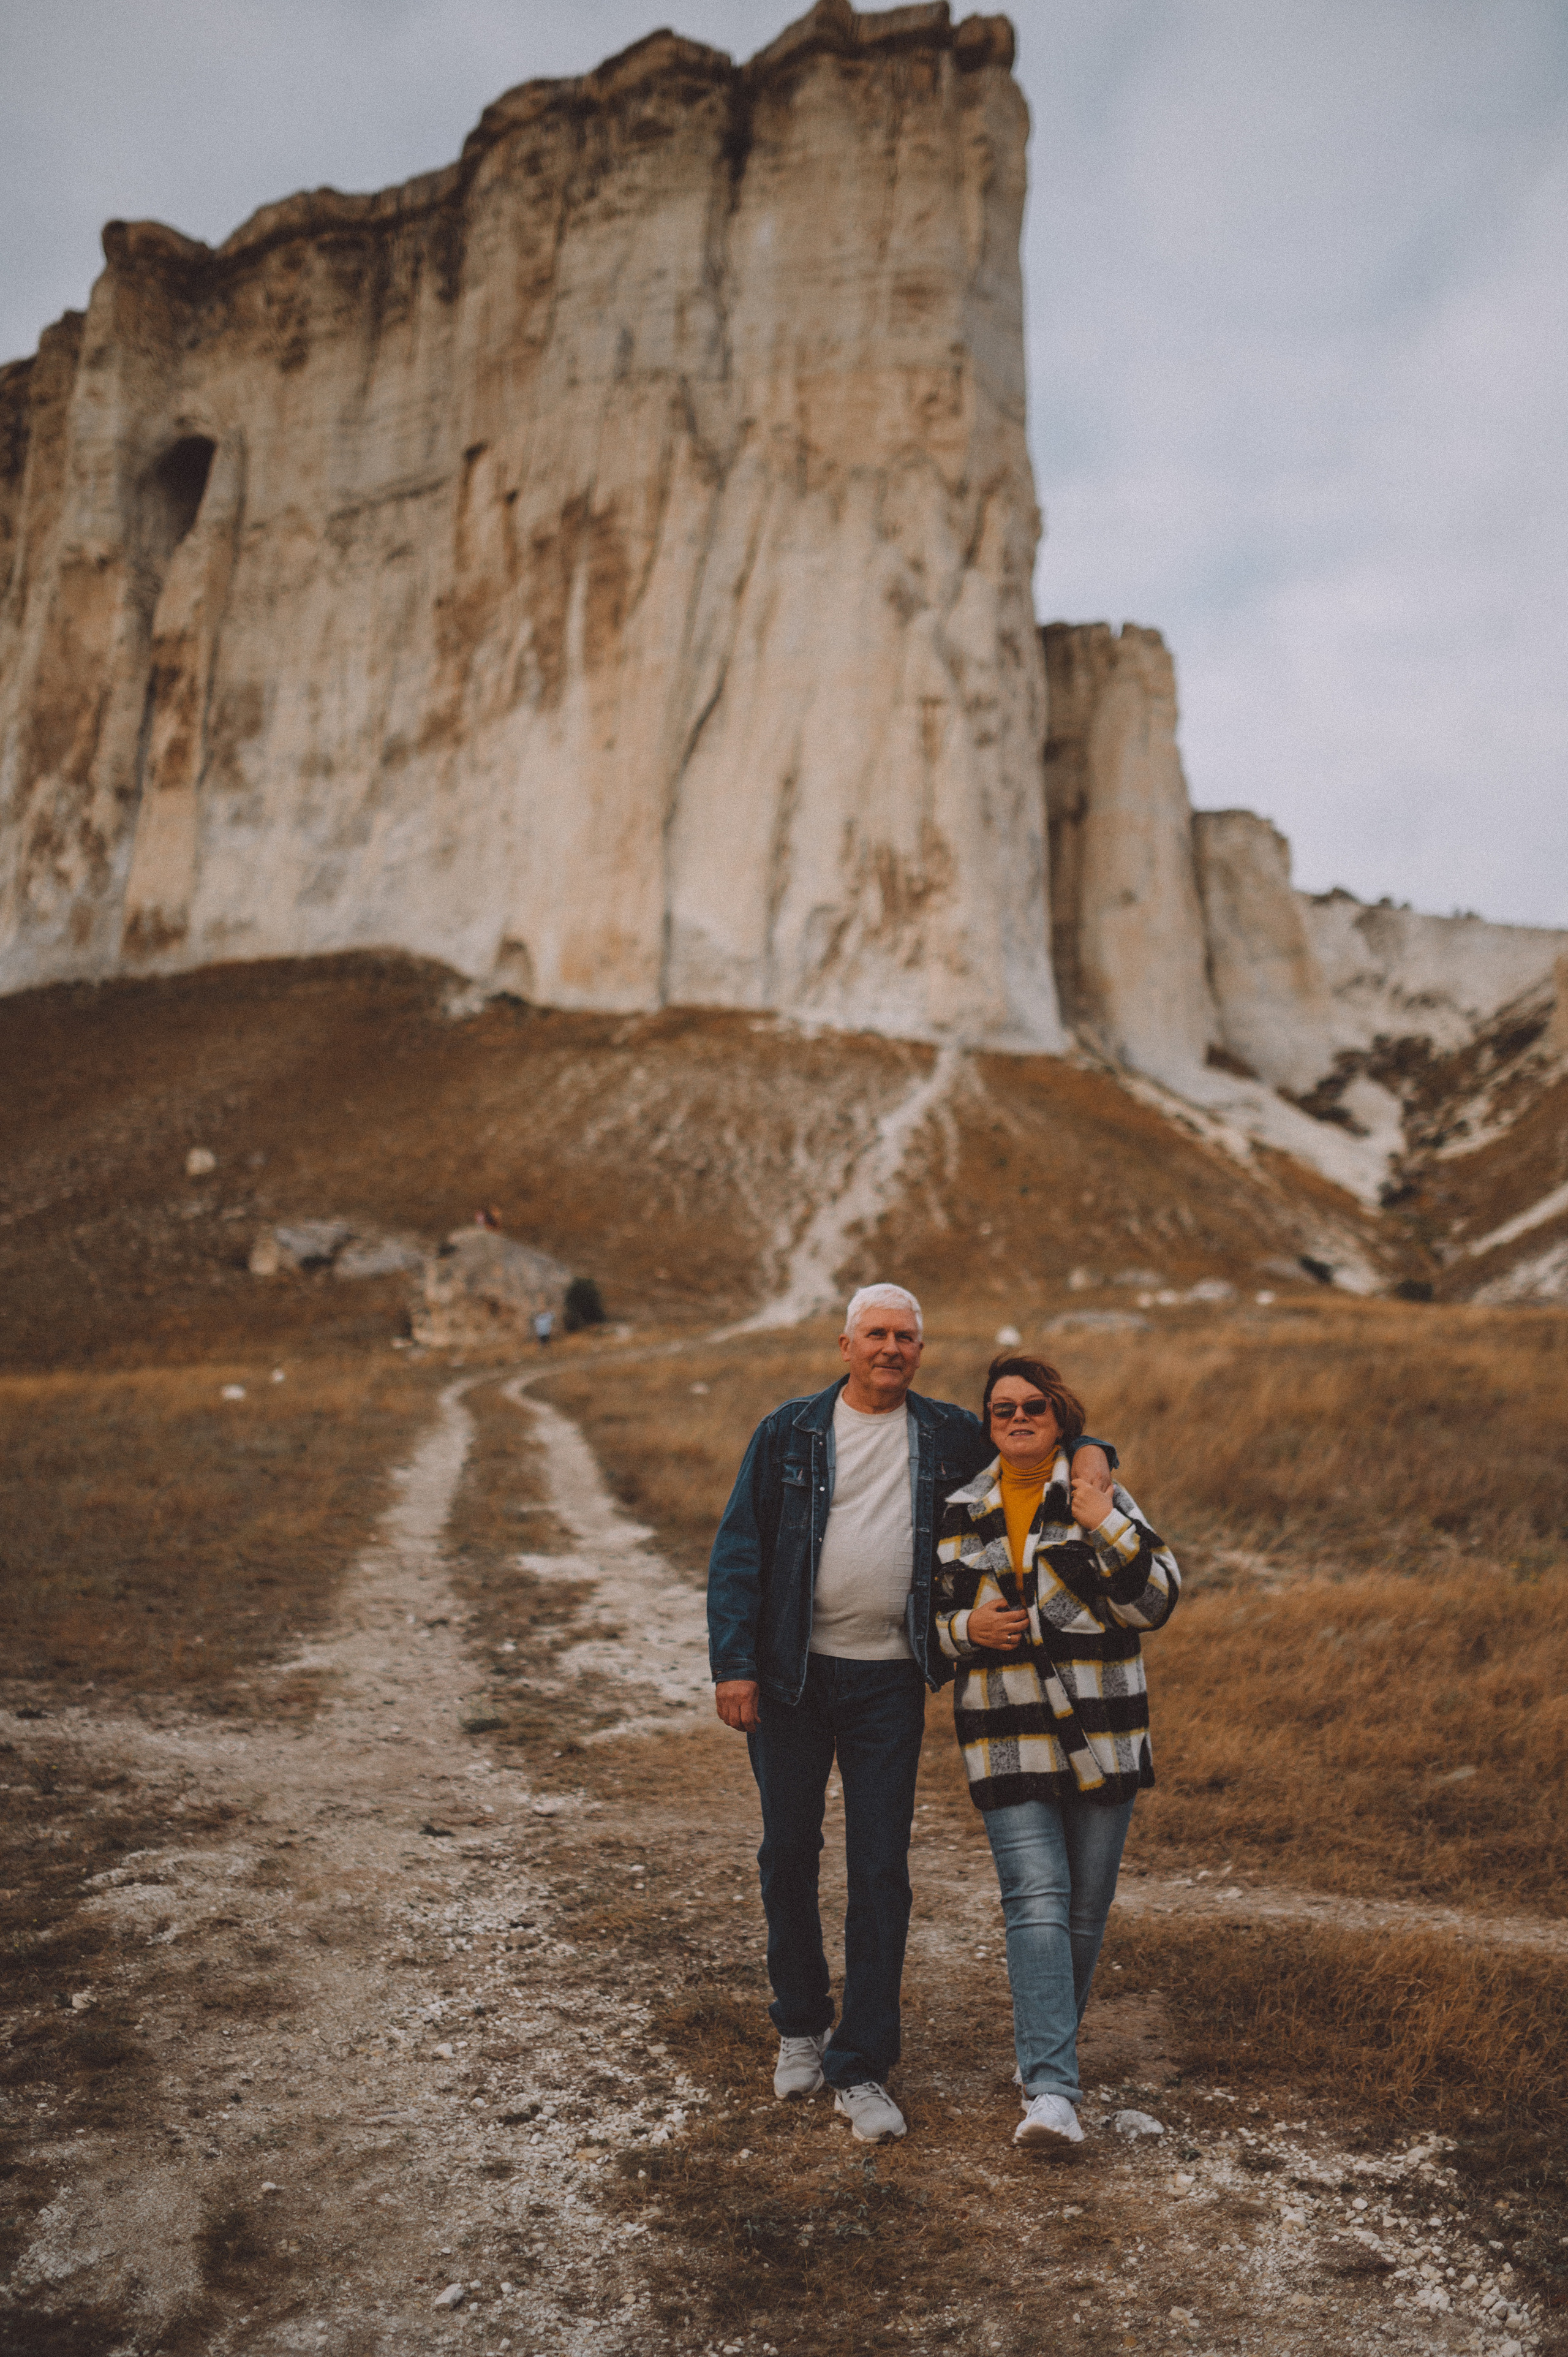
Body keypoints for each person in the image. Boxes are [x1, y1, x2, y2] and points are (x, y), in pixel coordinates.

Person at [706, 1288, 1118, 2143]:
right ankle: (799, 2023)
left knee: (879, 1869)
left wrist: (1094, 1456)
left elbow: (1036, 1433)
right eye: (876, 1335)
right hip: (790, 1679)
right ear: (847, 1342)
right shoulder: (789, 1432)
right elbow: (740, 1549)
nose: (891, 1348)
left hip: (889, 1682)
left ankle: (862, 2065)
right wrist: (734, 1666)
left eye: (906, 1337)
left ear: (921, 1350)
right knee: (788, 1849)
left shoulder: (946, 1434)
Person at [933, 1353, 1180, 2149]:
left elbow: (1155, 1602)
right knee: (1035, 1898)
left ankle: (1046, 2055)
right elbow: (933, 1624)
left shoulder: (1098, 1496)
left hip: (1104, 1732)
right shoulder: (961, 1510)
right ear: (988, 1422)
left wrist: (1104, 1515)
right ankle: (1052, 2095)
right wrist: (965, 1629)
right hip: (1004, 1734)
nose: (1016, 1419)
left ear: (1060, 1415)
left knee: (1082, 1909)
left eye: (1032, 1406)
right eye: (1001, 1409)